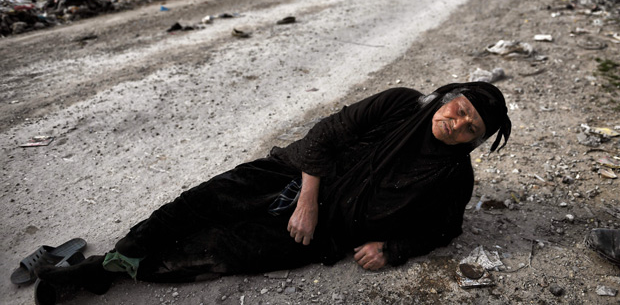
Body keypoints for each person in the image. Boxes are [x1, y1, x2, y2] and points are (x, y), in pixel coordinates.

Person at [34, 82, 511, 304]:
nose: (458, 122)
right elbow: (324, 136)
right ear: (451, 96)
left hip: (327, 232)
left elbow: (446, 227)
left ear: (475, 139)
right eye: (461, 108)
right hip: (291, 175)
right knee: (197, 204)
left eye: (472, 126)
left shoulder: (452, 177)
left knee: (215, 251)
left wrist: (392, 248)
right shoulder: (401, 103)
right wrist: (306, 201)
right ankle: (106, 265)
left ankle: (125, 274)